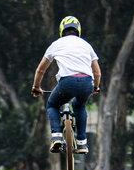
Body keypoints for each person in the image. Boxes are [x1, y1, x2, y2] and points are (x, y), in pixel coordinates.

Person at [31, 15, 102, 155]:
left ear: (61, 30)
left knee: (52, 105)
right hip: (87, 83)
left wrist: (36, 87)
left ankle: (56, 137)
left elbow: (40, 70)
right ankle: (82, 143)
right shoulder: (86, 45)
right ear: (78, 30)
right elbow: (97, 73)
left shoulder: (56, 44)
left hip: (66, 83)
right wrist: (95, 87)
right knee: (79, 106)